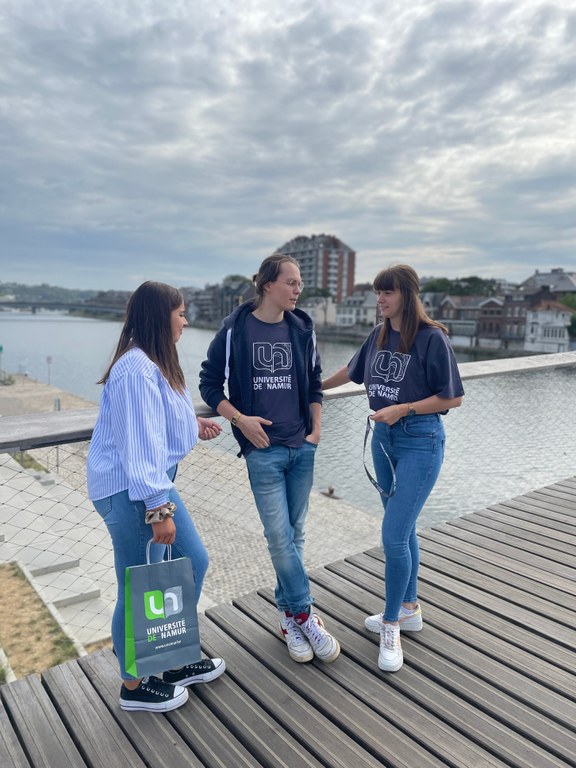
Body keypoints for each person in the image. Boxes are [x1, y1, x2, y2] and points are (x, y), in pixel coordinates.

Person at [87, 281, 226, 712]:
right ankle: (133, 684)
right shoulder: (136, 369)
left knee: (191, 562)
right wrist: (157, 508)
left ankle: (167, 660)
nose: (186, 320)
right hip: (132, 489)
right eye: (180, 313)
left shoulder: (154, 362)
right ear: (159, 317)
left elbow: (153, 422)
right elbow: (138, 445)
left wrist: (192, 425)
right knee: (138, 586)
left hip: (149, 484)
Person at [199, 253, 340, 664]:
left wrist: (316, 430)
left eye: (300, 283)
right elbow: (210, 384)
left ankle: (287, 617)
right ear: (267, 286)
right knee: (279, 537)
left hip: (302, 446)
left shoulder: (302, 328)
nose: (298, 290)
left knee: (295, 535)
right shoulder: (235, 330)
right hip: (262, 450)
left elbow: (314, 383)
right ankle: (306, 615)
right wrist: (240, 420)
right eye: (291, 283)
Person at [322, 264, 463, 672]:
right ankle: (409, 608)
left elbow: (452, 397)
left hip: (420, 439)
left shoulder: (431, 338)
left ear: (407, 295)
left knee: (393, 536)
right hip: (383, 439)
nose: (380, 299)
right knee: (404, 528)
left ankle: (390, 625)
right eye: (377, 293)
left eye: (388, 292)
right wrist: (313, 388)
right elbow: (352, 372)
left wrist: (404, 408)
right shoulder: (379, 334)